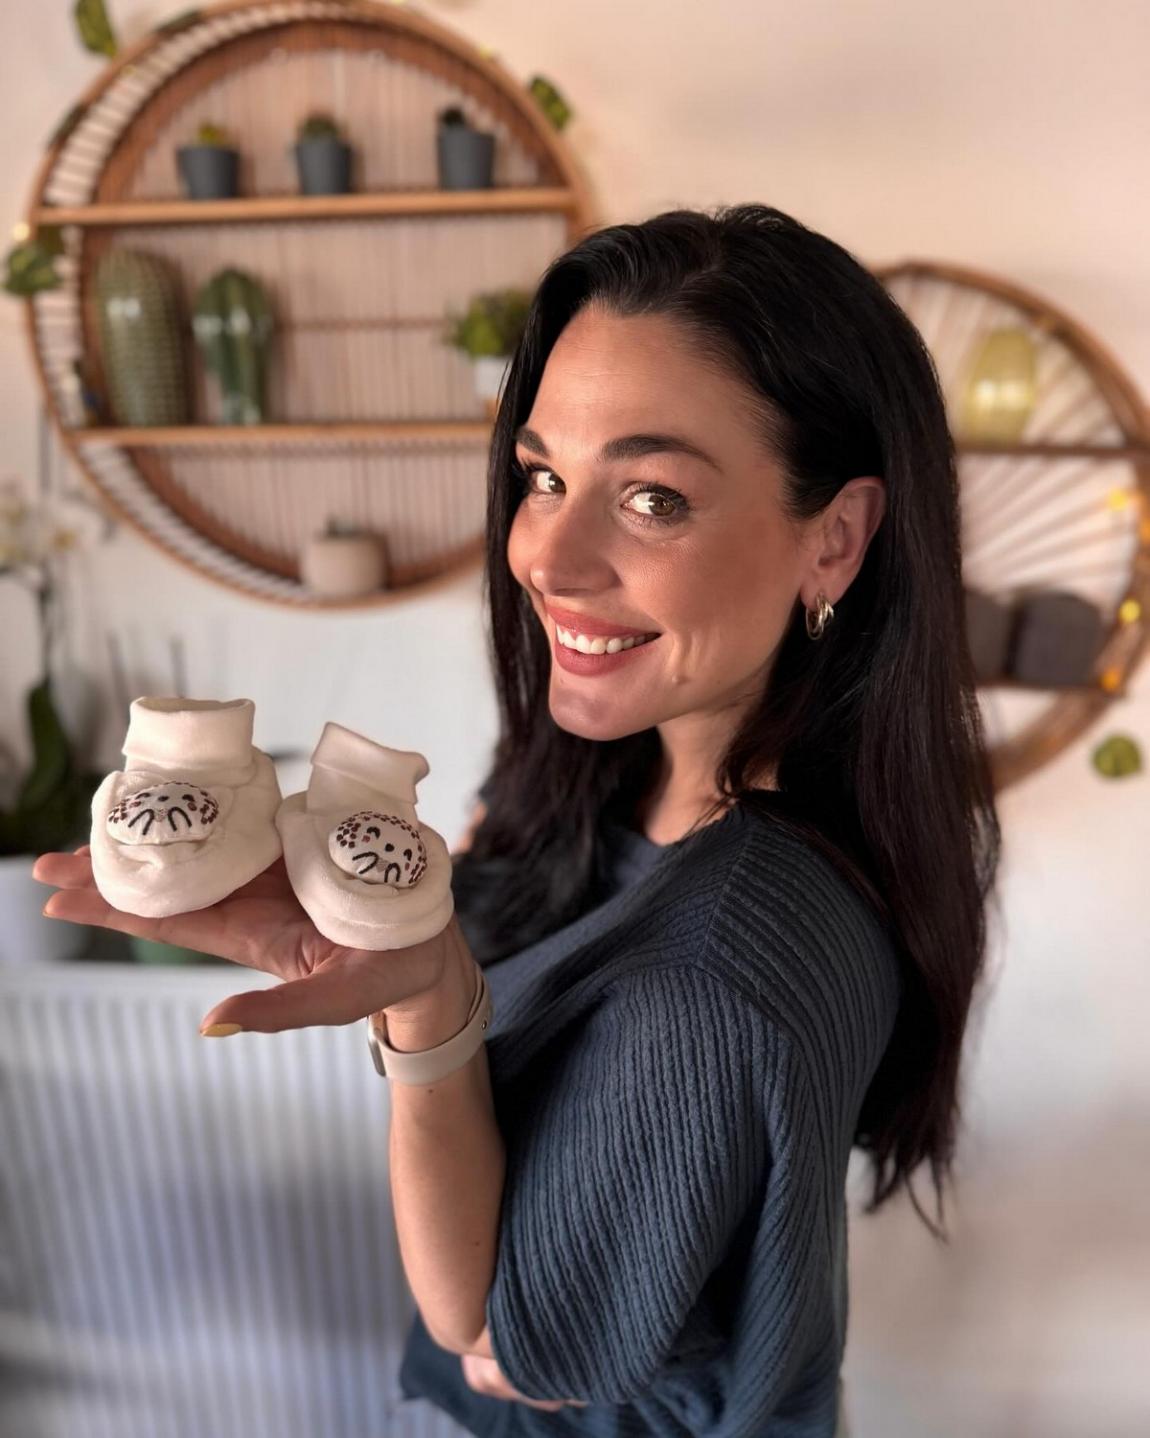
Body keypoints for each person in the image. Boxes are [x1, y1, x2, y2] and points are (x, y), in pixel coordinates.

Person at [34, 202, 1001, 1437]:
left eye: (652, 497)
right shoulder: (619, 776)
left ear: (836, 539)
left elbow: (496, 1336)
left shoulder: (711, 967)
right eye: (544, 475)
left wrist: (426, 992)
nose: (547, 555)